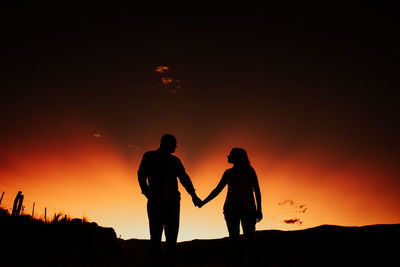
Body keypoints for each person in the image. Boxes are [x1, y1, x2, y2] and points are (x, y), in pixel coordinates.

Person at [138, 134, 202, 266]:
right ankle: (158, 263)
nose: (176, 146)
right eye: (174, 144)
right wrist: (147, 192)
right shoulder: (150, 156)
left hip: (171, 202)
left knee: (171, 237)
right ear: (166, 143)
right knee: (157, 236)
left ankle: (168, 263)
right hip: (157, 201)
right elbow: (141, 175)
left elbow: (184, 178)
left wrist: (194, 195)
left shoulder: (174, 161)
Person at [200, 148, 262, 267]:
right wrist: (203, 202)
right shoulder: (228, 173)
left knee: (249, 239)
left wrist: (259, 209)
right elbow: (217, 190)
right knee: (234, 239)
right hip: (231, 210)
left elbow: (257, 191)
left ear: (237, 157)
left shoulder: (249, 171)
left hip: (247, 209)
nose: (227, 156)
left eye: (230, 154)